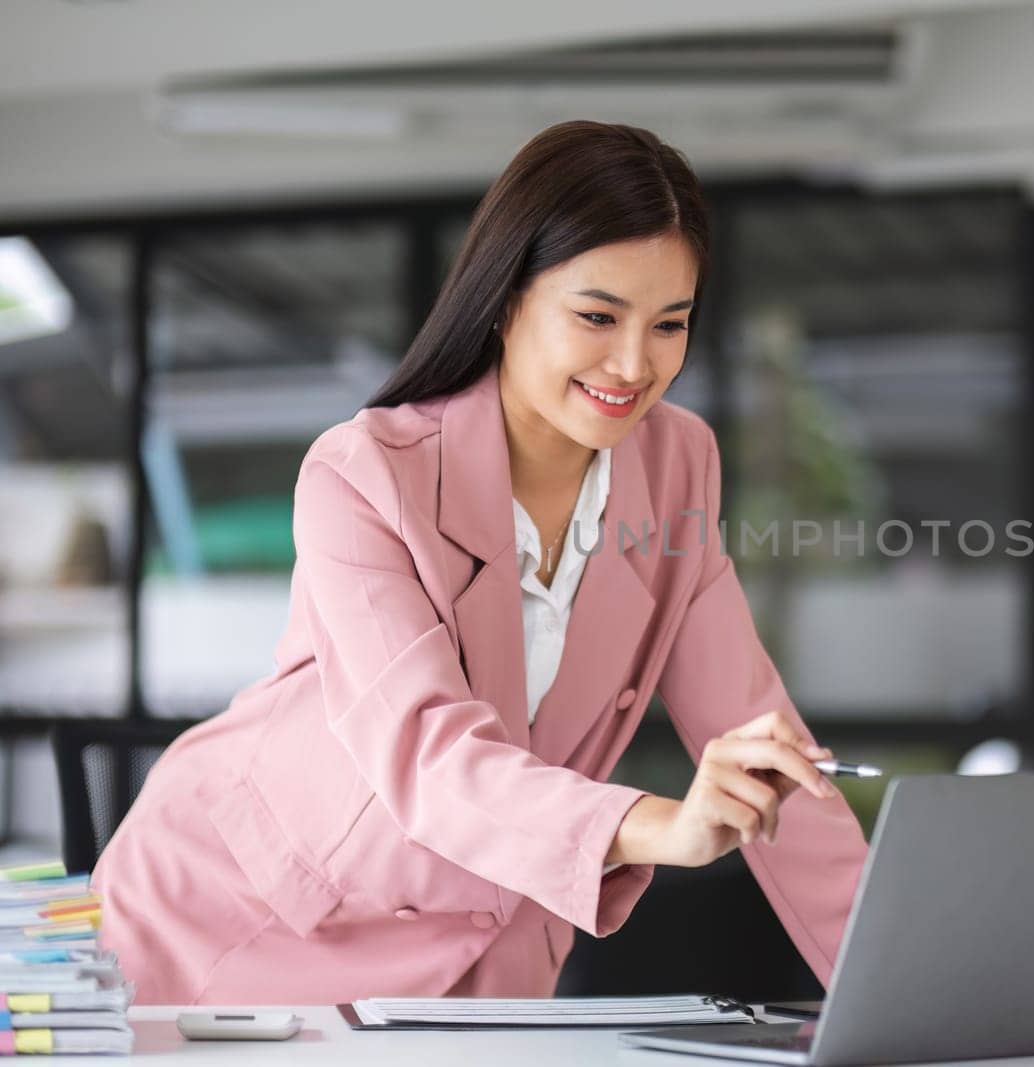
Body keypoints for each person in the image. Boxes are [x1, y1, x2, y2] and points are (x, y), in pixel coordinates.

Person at [91, 120, 870, 1005]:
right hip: (242, 926)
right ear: (505, 299)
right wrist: (661, 825)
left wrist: (908, 991)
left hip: (481, 951)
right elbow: (428, 755)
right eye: (597, 315)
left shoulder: (676, 466)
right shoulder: (363, 474)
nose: (634, 363)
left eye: (670, 324)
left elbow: (769, 745)